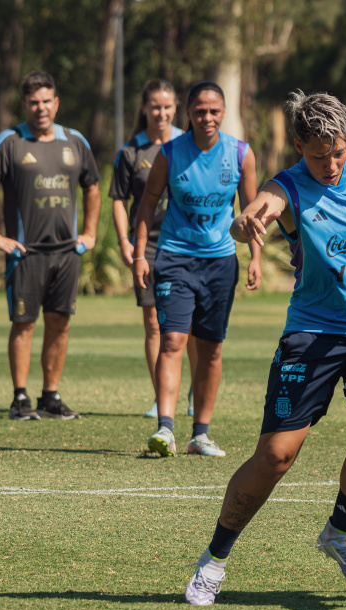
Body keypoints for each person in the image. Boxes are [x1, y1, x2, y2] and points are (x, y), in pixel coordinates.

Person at [184, 91, 346, 605]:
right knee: (276, 456)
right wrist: (247, 223)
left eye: (338, 152)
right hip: (313, 331)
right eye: (317, 155)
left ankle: (338, 531)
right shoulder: (286, 185)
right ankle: (214, 559)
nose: (330, 165)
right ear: (298, 146)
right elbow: (260, 210)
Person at [133, 81, 261, 457]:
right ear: (188, 113)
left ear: (223, 112)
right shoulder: (170, 154)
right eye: (200, 111)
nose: (207, 117)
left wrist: (255, 256)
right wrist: (141, 255)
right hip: (174, 258)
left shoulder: (240, 154)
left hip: (220, 262)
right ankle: (166, 429)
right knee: (172, 340)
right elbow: (147, 205)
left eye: (214, 111)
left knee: (212, 349)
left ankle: (200, 435)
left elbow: (251, 210)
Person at [0, 70, 100, 421]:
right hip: (25, 254)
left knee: (60, 323)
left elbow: (92, 185)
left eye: (46, 101)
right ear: (24, 105)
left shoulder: (75, 142)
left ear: (56, 103)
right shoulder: (8, 142)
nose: (40, 108)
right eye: (33, 102)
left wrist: (88, 233)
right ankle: (20, 398)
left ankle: (50, 396)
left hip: (67, 254)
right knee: (24, 323)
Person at [109, 79, 197, 420]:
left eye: (167, 107)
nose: (161, 113)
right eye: (155, 107)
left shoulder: (188, 145)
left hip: (186, 244)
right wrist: (125, 241)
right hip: (147, 246)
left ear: (176, 109)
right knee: (153, 323)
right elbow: (118, 200)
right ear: (145, 108)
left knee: (189, 325)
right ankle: (162, 397)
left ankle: (194, 391)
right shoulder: (131, 151)